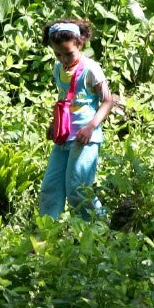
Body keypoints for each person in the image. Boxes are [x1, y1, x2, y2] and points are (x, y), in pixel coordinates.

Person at [39, 18, 115, 220]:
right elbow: (64, 99)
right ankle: (47, 232)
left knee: (78, 188)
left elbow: (108, 100)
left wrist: (91, 127)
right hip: (63, 136)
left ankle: (98, 227)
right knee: (50, 186)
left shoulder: (90, 69)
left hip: (85, 138)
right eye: (58, 54)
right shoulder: (58, 69)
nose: (63, 59)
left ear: (80, 44)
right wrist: (53, 124)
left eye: (68, 54)